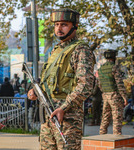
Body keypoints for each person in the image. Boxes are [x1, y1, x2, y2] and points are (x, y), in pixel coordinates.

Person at [28, 8, 95, 149]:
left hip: (68, 118)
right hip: (48, 114)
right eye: (56, 24)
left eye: (64, 24)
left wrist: (64, 108)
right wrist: (35, 91)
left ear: (74, 27)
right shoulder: (55, 51)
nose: (59, 28)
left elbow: (86, 85)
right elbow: (48, 79)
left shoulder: (81, 50)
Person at [98, 49, 128, 135]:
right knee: (117, 117)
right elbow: (119, 84)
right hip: (114, 95)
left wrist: (105, 92)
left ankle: (101, 135)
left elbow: (99, 84)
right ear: (114, 57)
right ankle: (117, 136)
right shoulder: (114, 67)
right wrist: (124, 97)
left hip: (105, 95)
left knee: (105, 117)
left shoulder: (101, 69)